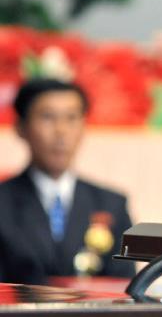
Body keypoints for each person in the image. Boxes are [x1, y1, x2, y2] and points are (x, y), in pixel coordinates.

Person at [0, 78, 133, 284]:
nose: (61, 131)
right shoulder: (3, 202)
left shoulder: (110, 203)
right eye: (47, 117)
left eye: (71, 118)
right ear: (21, 127)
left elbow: (124, 287)